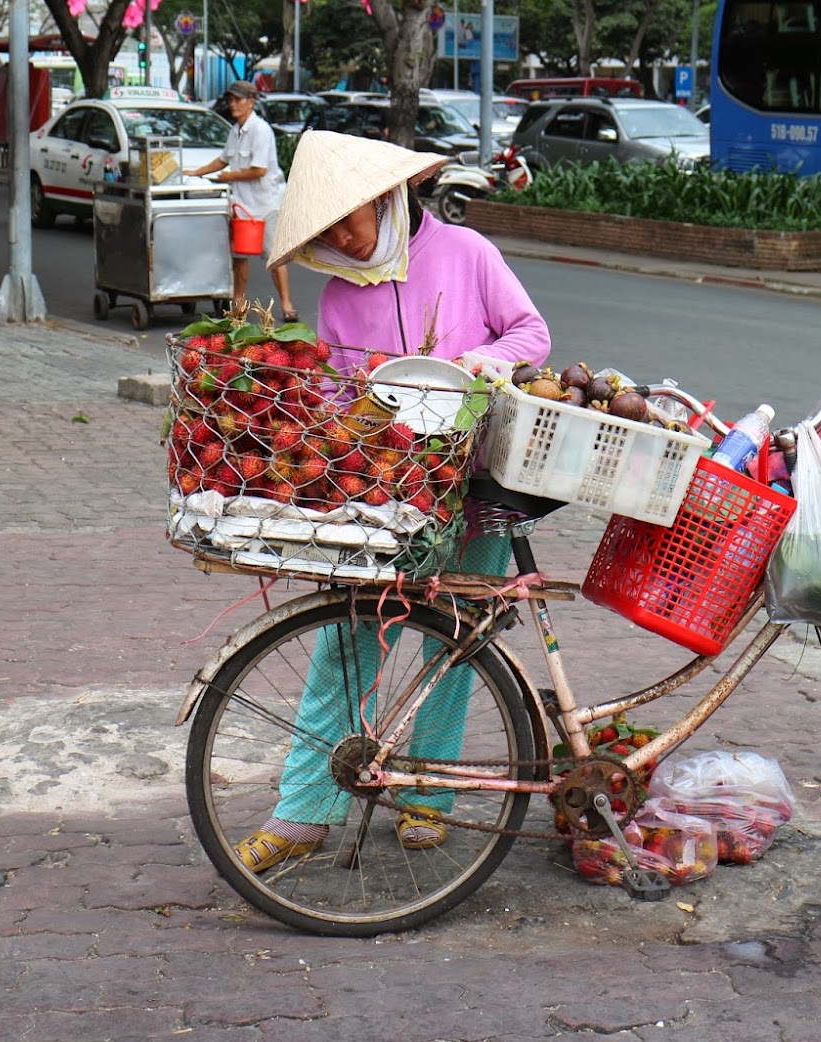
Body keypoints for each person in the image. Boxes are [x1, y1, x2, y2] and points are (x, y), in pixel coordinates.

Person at [233, 130, 552, 873]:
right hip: (384, 498)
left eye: (353, 217)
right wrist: (340, 429)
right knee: (349, 638)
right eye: (330, 227)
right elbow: (338, 399)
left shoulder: (469, 253)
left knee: (459, 642)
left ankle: (427, 796)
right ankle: (304, 812)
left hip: (477, 486)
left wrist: (476, 362)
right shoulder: (341, 296)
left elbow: (531, 334)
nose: (344, 236)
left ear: (389, 199)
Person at [182, 80, 297, 321]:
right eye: (231, 100)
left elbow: (259, 170)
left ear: (251, 102)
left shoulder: (260, 130)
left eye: (238, 100)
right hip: (243, 206)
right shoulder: (235, 131)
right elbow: (223, 159)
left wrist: (227, 176)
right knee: (240, 258)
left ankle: (287, 304)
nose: (233, 104)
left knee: (273, 257)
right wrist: (195, 172)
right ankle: (238, 306)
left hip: (266, 204)